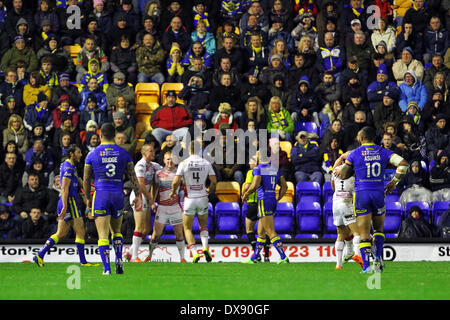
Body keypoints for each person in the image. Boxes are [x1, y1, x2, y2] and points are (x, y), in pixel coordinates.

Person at [337, 126, 409, 273]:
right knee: (378, 229)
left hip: (362, 193)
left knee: (363, 233)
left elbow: (343, 175)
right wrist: (394, 181)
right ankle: (377, 258)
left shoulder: (355, 153)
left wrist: (343, 167)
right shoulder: (383, 151)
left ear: (362, 138)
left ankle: (367, 266)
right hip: (378, 192)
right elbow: (403, 164)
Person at [83, 123, 141, 275]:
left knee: (103, 235)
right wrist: (138, 195)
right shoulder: (123, 153)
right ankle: (119, 261)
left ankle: (107, 268)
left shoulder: (92, 154)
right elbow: (133, 176)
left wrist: (88, 198)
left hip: (101, 194)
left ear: (100, 135)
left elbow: (86, 179)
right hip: (118, 195)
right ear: (114, 135)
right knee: (116, 231)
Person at [33, 145, 99, 267]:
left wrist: (91, 188)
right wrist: (64, 206)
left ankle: (40, 255)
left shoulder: (69, 165)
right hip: (70, 202)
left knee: (61, 233)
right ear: (72, 154)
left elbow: (78, 181)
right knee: (81, 231)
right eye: (78, 152)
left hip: (66, 202)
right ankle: (83, 262)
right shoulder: (68, 167)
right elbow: (64, 188)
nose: (81, 155)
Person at [170, 141, 217, 263]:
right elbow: (214, 180)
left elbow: (175, 182)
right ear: (200, 149)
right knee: (203, 226)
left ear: (188, 150)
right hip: (202, 197)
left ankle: (195, 253)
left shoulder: (184, 163)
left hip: (189, 198)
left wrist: (173, 192)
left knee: (187, 228)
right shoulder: (206, 163)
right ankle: (205, 247)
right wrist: (209, 189)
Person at [241, 151, 289, 264]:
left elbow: (255, 184)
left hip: (263, 200)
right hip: (272, 198)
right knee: (261, 232)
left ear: (259, 157)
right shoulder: (274, 169)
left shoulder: (258, 169)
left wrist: (246, 194)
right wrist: (278, 198)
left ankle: (283, 257)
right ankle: (254, 258)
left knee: (270, 231)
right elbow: (285, 186)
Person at [124, 143, 161, 263]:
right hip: (138, 196)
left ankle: (129, 253)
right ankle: (134, 257)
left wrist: (152, 200)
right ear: (143, 153)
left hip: (146, 197)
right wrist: (150, 198)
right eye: (150, 151)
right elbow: (140, 184)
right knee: (139, 226)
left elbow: (157, 183)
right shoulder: (140, 165)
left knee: (146, 229)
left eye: (153, 150)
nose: (153, 152)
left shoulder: (154, 166)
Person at [147, 151, 186, 262]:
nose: (170, 161)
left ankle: (182, 258)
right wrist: (152, 203)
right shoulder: (158, 173)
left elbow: (184, 189)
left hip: (175, 207)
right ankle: (149, 256)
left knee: (179, 233)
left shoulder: (180, 174)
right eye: (168, 159)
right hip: (162, 208)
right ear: (164, 160)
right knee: (156, 235)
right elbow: (154, 189)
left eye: (172, 159)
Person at [331, 164, 363, 269]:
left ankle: (338, 264)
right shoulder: (354, 175)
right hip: (346, 203)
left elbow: (332, 186)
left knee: (340, 234)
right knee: (356, 232)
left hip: (335, 203)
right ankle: (357, 254)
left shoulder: (335, 170)